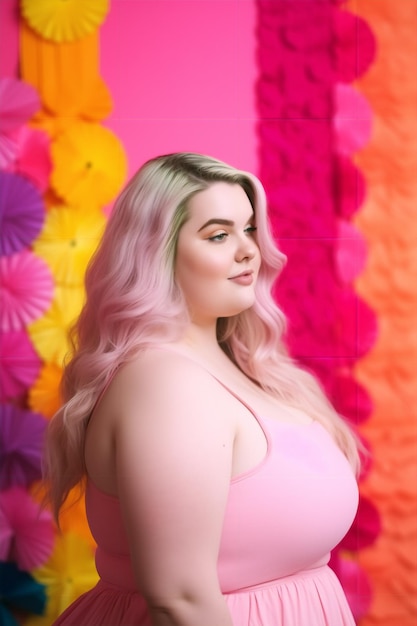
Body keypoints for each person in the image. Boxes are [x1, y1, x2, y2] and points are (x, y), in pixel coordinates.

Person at [44, 152, 360, 626]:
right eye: (218, 235)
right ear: (157, 252)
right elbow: (179, 599)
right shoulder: (165, 384)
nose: (248, 250)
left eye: (249, 228)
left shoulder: (238, 364)